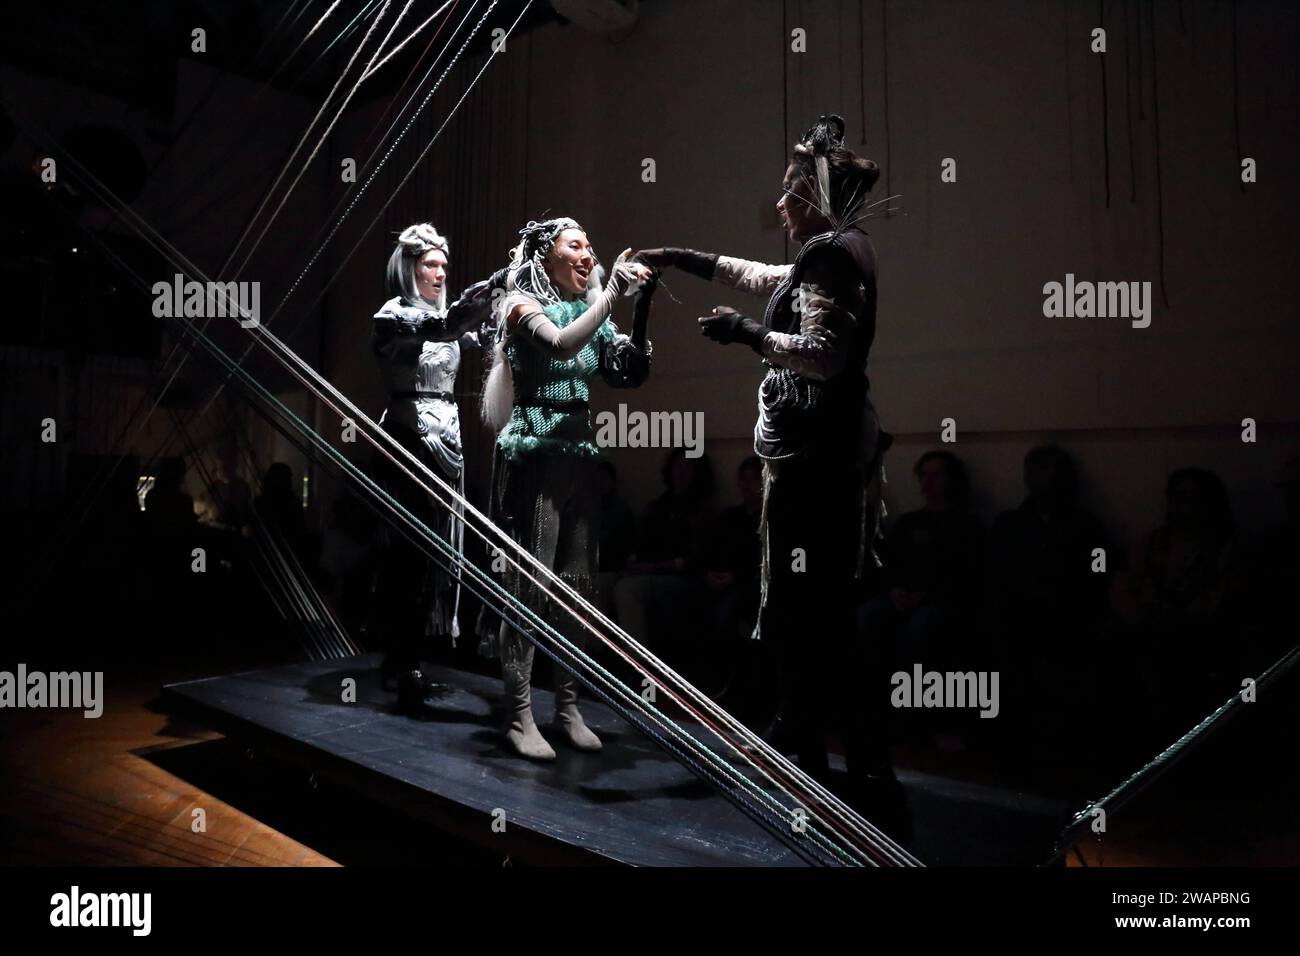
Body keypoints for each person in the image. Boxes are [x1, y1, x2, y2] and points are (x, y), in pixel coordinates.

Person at [634, 114, 902, 826]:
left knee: (799, 609)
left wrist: (745, 334)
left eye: (789, 192)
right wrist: (678, 255)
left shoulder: (832, 258)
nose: (779, 204)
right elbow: (758, 275)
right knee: (813, 612)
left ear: (815, 196)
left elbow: (822, 355)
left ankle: (810, 746)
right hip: (821, 461)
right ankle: (824, 747)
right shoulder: (836, 250)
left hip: (814, 466)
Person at [477, 217, 657, 761]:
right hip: (535, 454)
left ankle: (569, 706)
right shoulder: (518, 305)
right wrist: (612, 295)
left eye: (590, 246)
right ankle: (518, 713)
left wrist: (640, 306)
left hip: (578, 457)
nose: (587, 254)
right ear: (546, 257)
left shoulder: (590, 310)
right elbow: (558, 347)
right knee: (532, 586)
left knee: (579, 590)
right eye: (575, 245)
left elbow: (629, 373)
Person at [368, 223, 500, 714]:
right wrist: (489, 291)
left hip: (448, 435)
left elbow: (480, 340)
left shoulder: (444, 317)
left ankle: (411, 659)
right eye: (431, 264)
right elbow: (445, 330)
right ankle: (400, 661)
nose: (440, 272)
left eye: (444, 264)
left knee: (434, 557)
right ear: (409, 268)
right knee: (409, 556)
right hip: (408, 435)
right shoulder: (393, 316)